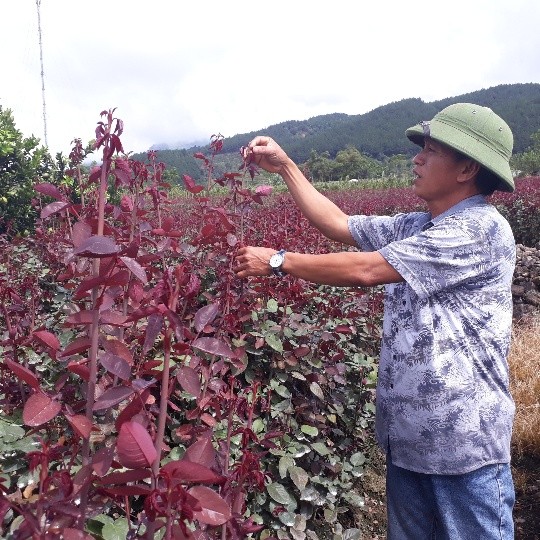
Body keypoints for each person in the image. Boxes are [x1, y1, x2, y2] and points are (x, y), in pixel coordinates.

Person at [234, 103, 516, 539]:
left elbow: (365, 269)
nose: (417, 159)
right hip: (409, 445)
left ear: (467, 169)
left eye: (431, 151)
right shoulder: (420, 225)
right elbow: (338, 224)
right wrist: (286, 166)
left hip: (464, 453)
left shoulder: (479, 229)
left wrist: (277, 260)